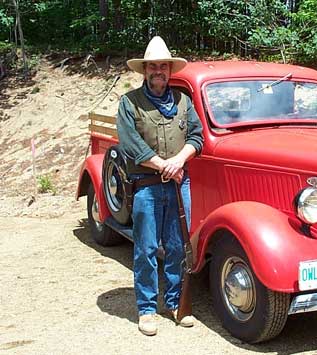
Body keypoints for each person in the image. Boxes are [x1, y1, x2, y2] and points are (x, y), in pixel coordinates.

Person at [116, 36, 203, 336]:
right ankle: (147, 309)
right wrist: (163, 165)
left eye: (163, 66)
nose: (158, 71)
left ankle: (176, 303)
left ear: (169, 70)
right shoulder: (129, 103)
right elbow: (131, 145)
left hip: (180, 184)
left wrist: (179, 160)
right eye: (153, 66)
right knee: (146, 249)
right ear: (145, 70)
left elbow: (197, 136)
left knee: (178, 248)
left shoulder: (183, 101)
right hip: (147, 186)